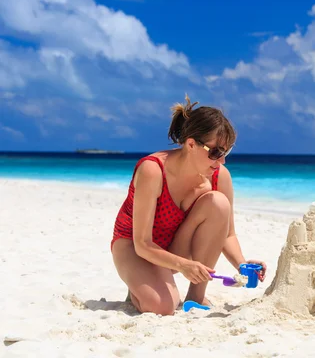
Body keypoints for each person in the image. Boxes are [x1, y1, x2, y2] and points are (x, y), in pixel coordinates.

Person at [111, 95, 267, 315]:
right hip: (135, 248)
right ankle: (138, 285)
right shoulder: (153, 170)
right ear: (191, 144)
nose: (222, 161)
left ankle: (195, 297)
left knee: (218, 203)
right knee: (162, 306)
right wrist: (183, 266)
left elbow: (228, 234)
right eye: (216, 152)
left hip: (174, 246)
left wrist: (242, 265)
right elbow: (142, 243)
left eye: (227, 152)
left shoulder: (219, 176)